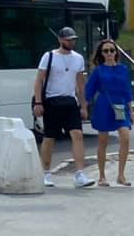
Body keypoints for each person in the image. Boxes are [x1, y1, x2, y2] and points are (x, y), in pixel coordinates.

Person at [33, 26, 94, 188]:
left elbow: (81, 83)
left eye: (73, 39)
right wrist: (38, 102)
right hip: (52, 101)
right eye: (68, 39)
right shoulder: (49, 56)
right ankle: (45, 173)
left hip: (70, 101)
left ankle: (80, 174)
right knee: (50, 137)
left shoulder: (78, 58)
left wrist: (83, 106)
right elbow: (39, 80)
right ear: (60, 40)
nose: (71, 42)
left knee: (77, 135)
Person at [85, 39, 134, 186]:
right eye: (105, 51)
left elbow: (127, 91)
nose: (109, 53)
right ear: (101, 54)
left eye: (112, 50)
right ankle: (102, 176)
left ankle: (121, 175)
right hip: (104, 106)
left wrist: (131, 110)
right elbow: (89, 91)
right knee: (103, 141)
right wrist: (83, 107)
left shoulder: (123, 69)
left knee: (125, 137)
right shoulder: (98, 71)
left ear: (116, 52)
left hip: (121, 105)